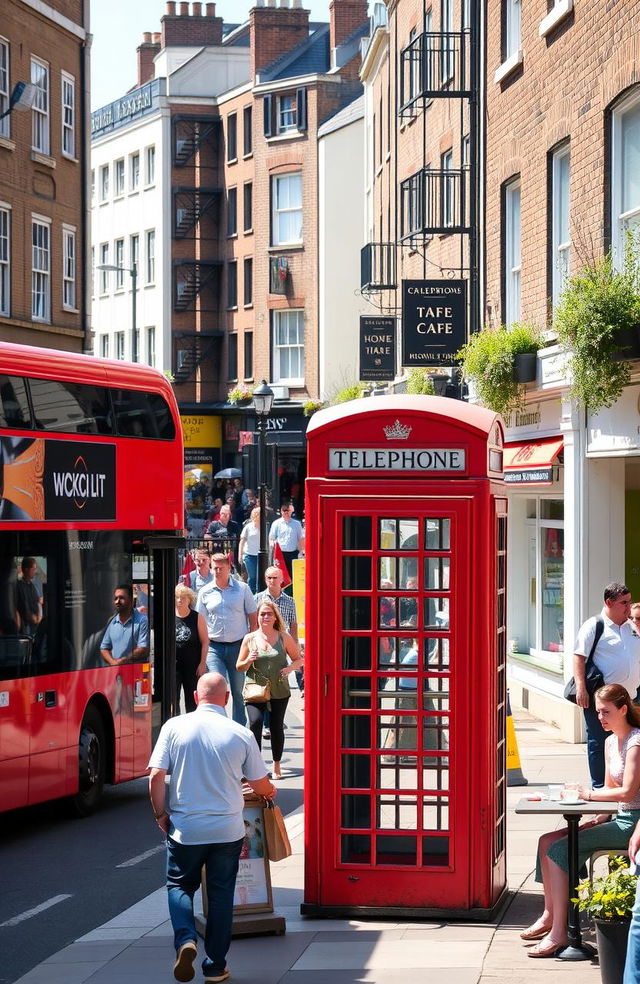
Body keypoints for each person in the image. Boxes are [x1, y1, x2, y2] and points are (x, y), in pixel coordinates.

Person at [148, 672, 276, 984]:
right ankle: (216, 967)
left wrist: (160, 814)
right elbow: (260, 783)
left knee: (180, 886)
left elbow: (155, 777)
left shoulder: (174, 727)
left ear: (194, 697)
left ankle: (186, 940)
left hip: (186, 829)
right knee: (220, 897)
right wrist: (268, 791)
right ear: (227, 699)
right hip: (227, 831)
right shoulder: (240, 733)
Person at [522, 684, 640, 957]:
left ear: (623, 709)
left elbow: (628, 792)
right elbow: (611, 792)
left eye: (606, 712)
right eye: (598, 712)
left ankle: (560, 932)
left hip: (634, 824)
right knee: (546, 841)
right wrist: (596, 818)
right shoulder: (611, 742)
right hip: (619, 818)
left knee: (559, 849)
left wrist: (586, 793)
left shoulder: (635, 742)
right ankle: (550, 914)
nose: (600, 718)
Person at [573, 583, 640, 788]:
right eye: (624, 603)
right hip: (603, 699)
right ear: (609, 603)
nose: (629, 607)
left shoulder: (631, 627)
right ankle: (600, 790)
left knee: (631, 742)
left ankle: (628, 789)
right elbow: (578, 657)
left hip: (631, 697)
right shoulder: (595, 625)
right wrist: (581, 688)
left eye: (629, 601)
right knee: (600, 742)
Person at [236, 599, 303, 779]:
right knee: (255, 724)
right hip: (255, 689)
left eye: (269, 614)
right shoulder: (249, 639)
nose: (265, 617)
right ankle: (256, 767)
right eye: (262, 614)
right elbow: (239, 666)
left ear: (275, 617)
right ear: (257, 617)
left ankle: (276, 764)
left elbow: (299, 659)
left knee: (276, 727)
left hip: (279, 689)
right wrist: (249, 659)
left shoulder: (283, 637)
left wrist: (289, 669)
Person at [196, 554, 258, 725]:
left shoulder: (243, 589)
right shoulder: (205, 591)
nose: (216, 571)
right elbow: (200, 622)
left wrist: (250, 646)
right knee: (216, 687)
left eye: (220, 568)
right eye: (214, 568)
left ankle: (238, 726)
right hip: (214, 647)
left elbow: (253, 620)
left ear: (229, 568)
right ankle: (218, 725)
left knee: (238, 691)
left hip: (238, 646)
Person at [255, 565, 302, 695]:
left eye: (275, 578)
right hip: (263, 639)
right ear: (265, 579)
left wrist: (295, 642)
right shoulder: (257, 598)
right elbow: (253, 623)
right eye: (269, 578)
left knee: (283, 668)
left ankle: (298, 688)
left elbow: (293, 624)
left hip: (283, 640)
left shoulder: (290, 601)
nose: (272, 581)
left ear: (281, 579)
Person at [175, 585, 209, 713]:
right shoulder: (169, 616)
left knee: (192, 699)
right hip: (174, 666)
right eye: (177, 598)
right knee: (173, 699)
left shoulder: (197, 617)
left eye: (183, 598)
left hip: (192, 666)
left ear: (189, 600)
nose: (179, 600)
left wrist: (202, 663)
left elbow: (205, 641)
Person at [100, 584, 149, 665]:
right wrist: (114, 663)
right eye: (115, 598)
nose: (117, 601)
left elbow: (143, 648)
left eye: (121, 598)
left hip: (135, 670)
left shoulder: (142, 620)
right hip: (115, 671)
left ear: (130, 599)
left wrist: (125, 659)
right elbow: (104, 648)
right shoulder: (112, 621)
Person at [269, 503, 304, 587]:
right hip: (280, 554)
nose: (286, 513)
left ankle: (292, 594)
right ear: (281, 512)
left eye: (287, 511)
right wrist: (272, 545)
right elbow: (271, 537)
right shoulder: (276, 523)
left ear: (291, 511)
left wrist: (301, 551)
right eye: (284, 511)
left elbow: (301, 538)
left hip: (293, 553)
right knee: (280, 575)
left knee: (293, 575)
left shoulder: (297, 524)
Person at [15, 557, 43, 637]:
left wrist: (39, 616)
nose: (35, 571)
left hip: (36, 623)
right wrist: (31, 617)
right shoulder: (19, 586)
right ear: (26, 569)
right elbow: (24, 604)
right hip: (25, 625)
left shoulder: (32, 585)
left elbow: (38, 601)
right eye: (33, 569)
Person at [238, 507, 260, 593]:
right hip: (249, 555)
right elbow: (242, 541)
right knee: (253, 577)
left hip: (261, 556)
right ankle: (252, 594)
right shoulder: (248, 527)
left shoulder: (265, 526)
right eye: (257, 514)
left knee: (260, 576)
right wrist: (240, 555)